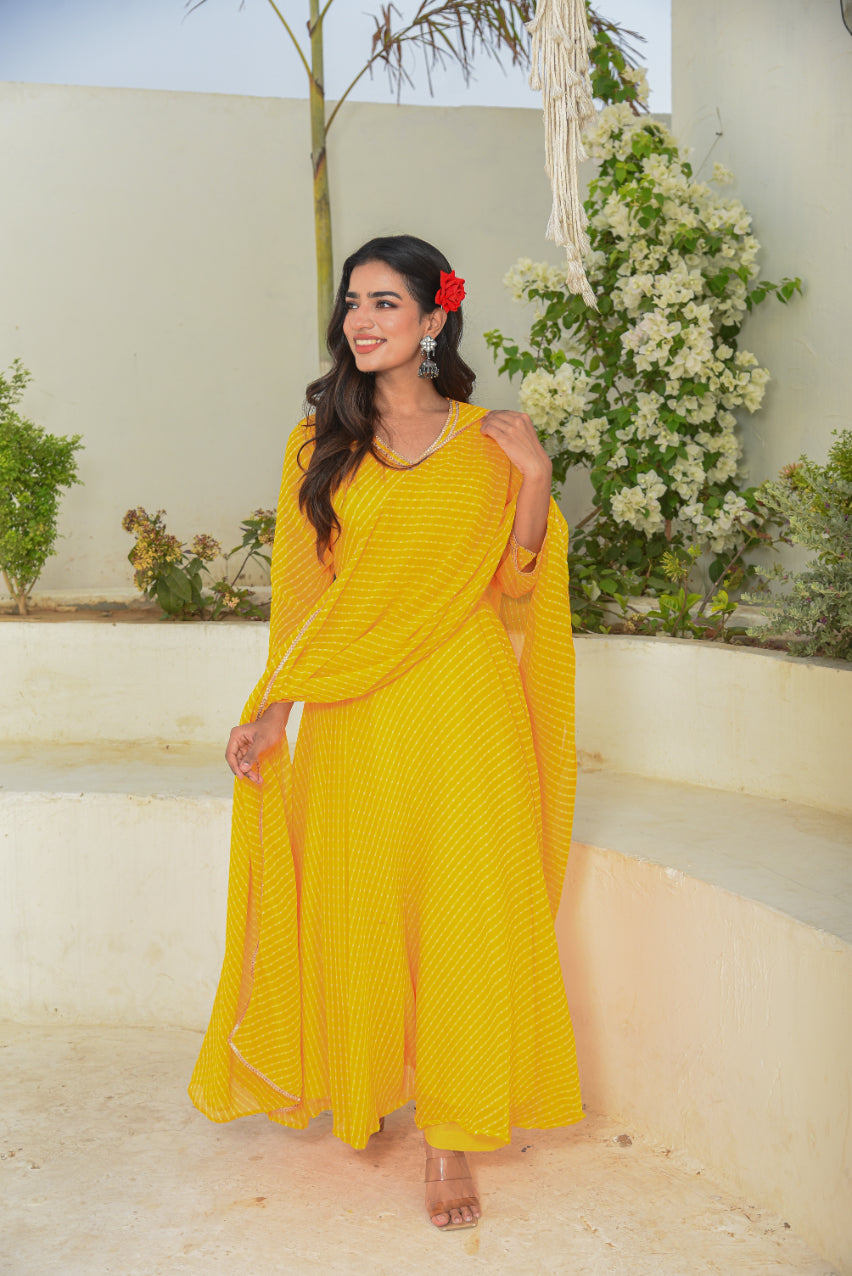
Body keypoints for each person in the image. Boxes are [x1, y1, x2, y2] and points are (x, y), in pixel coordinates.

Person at [189, 234, 583, 1231]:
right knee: (364, 907)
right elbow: (303, 600)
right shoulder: (317, 441)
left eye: (385, 304)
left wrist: (534, 479)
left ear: (433, 319)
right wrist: (272, 708)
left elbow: (517, 587)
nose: (361, 321)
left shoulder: (494, 438)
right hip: (358, 712)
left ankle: (452, 1137)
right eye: (352, 304)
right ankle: (366, 1089)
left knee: (462, 915)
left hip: (466, 702)